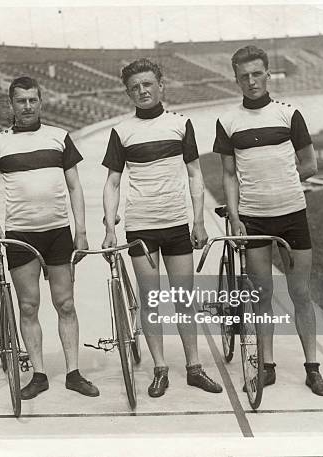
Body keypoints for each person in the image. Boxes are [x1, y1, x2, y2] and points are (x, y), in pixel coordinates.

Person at [213, 45, 323, 396]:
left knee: (300, 293)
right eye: (244, 76)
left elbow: (310, 164)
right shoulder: (228, 121)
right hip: (254, 221)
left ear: (267, 74)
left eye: (257, 74)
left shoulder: (288, 114)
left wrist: (284, 183)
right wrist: (234, 216)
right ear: (236, 79)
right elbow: (229, 175)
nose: (251, 81)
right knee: (262, 295)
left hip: (293, 216)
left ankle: (313, 369)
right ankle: (267, 367)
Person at [102, 58, 222, 398]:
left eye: (148, 84)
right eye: (135, 87)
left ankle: (194, 367)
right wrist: (110, 226)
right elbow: (112, 183)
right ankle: (159, 369)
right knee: (151, 300)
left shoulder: (180, 124)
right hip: (141, 226)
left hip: (176, 224)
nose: (142, 91)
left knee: (184, 298)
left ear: (160, 85)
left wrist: (198, 220)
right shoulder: (122, 131)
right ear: (128, 93)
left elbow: (195, 174)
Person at [0, 76, 99, 400]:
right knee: (29, 305)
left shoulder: (59, 137)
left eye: (33, 100)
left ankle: (73, 373)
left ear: (41, 101)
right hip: (20, 235)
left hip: (58, 232)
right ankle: (39, 374)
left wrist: (82, 232)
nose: (28, 106)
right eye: (21, 101)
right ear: (11, 105)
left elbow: (75, 187)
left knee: (66, 303)